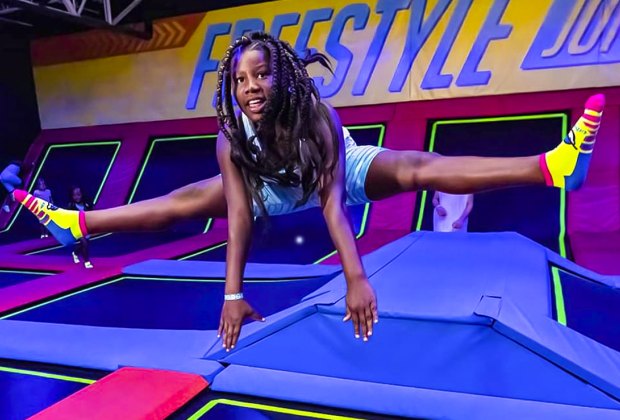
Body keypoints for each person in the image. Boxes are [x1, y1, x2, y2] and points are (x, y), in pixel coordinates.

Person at [10, 32, 605, 351]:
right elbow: (239, 218)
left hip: (333, 170)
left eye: (262, 74)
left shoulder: (316, 115)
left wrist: (355, 277)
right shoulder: (230, 136)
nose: (251, 87)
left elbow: (331, 203)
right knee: (186, 201)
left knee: (420, 165)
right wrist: (233, 294)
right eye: (241, 79)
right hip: (265, 189)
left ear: (283, 74)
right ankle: (79, 224)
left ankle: (551, 166)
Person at [67, 186, 94, 269]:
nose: (76, 197)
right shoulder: (71, 205)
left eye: (78, 194)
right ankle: (87, 262)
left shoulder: (87, 204)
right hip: (76, 227)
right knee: (84, 242)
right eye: (74, 195)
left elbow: (92, 213)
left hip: (86, 226)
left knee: (85, 243)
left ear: (82, 194)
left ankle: (75, 253)